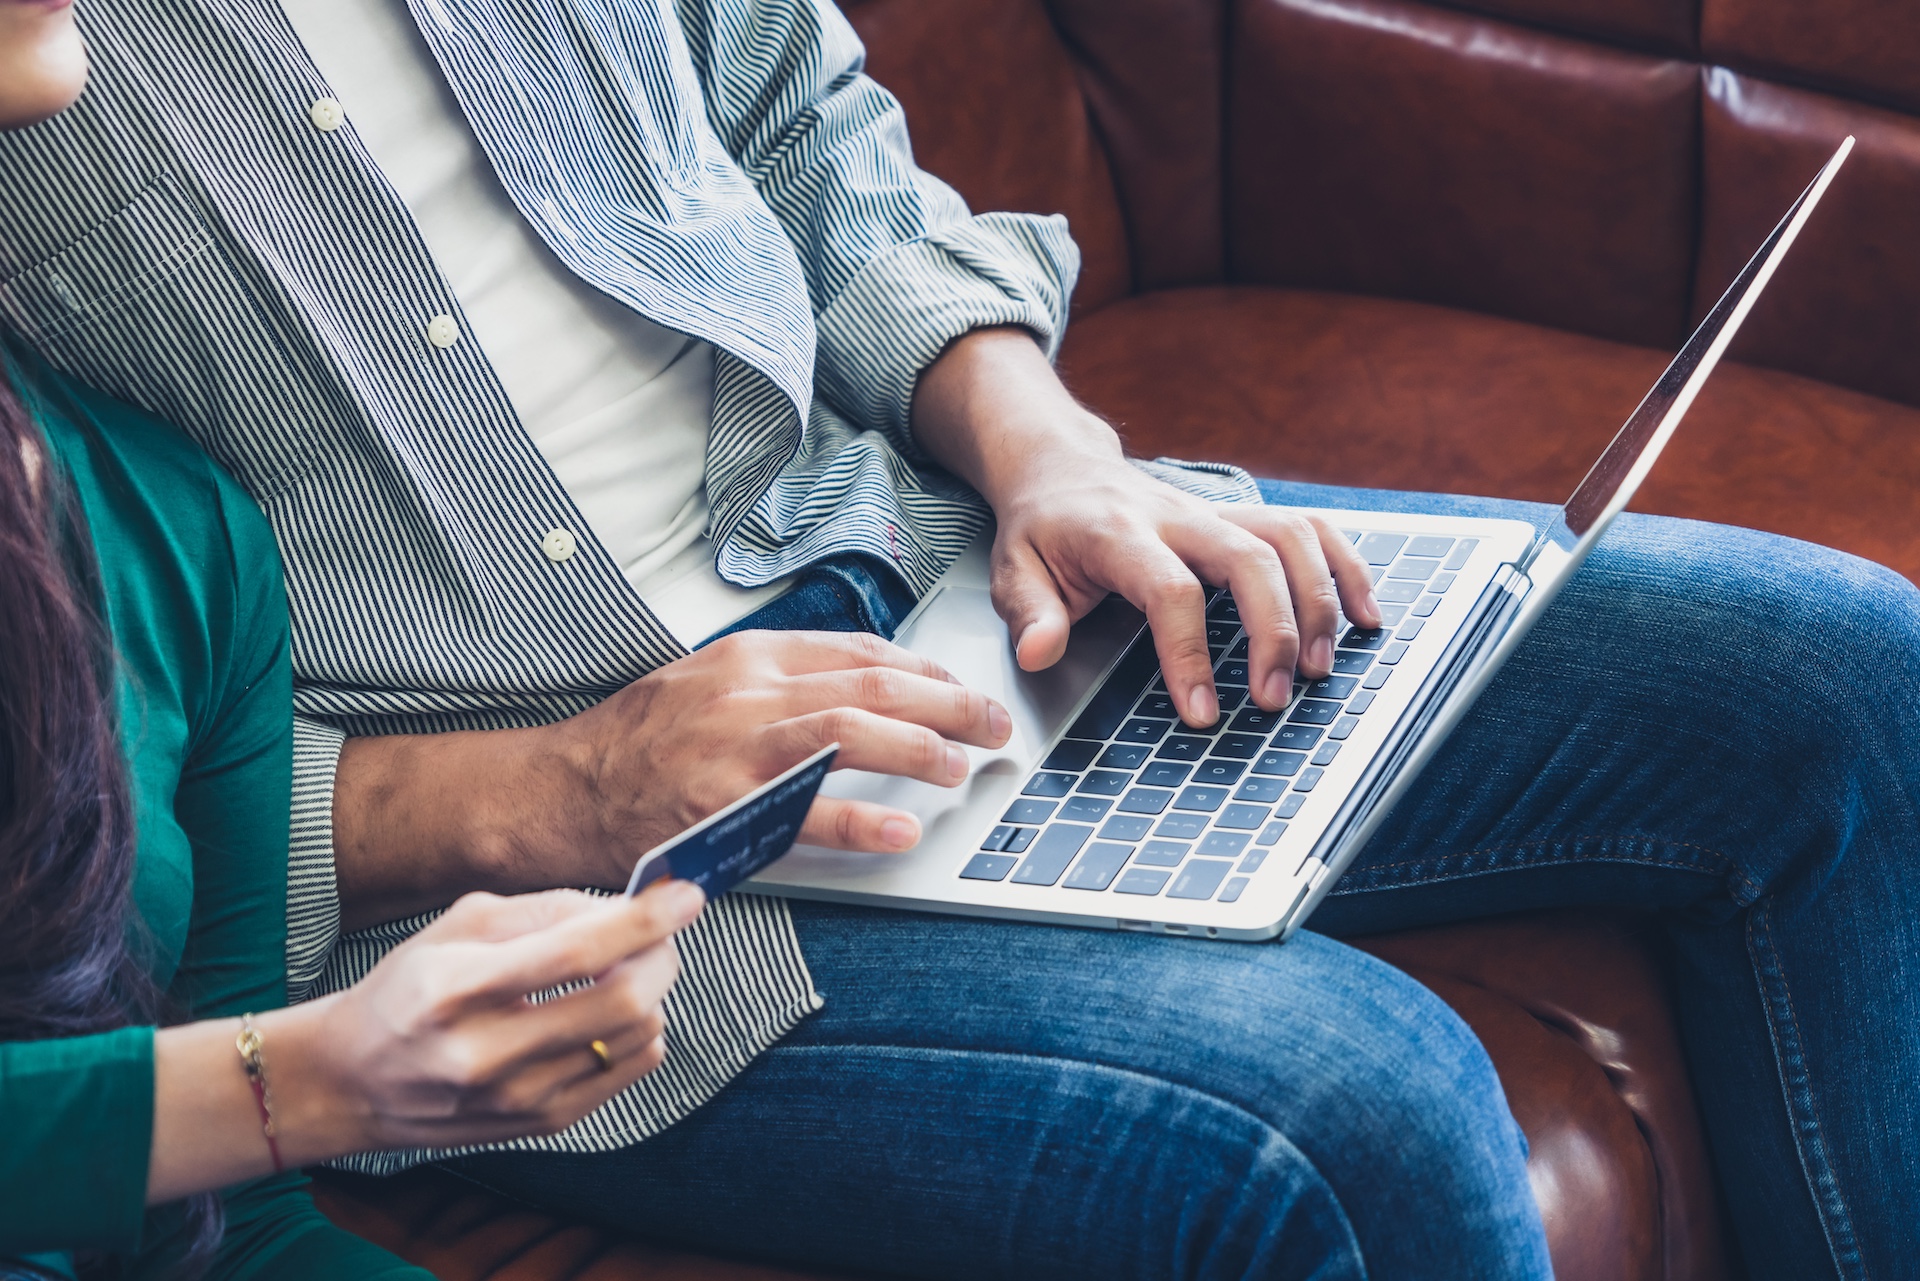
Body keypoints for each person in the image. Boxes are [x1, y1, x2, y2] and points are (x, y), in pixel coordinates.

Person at [2, 1, 1916, 1278]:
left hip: (941, 574)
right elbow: (116, 751)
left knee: (1837, 676)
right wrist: (566, 787)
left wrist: (1045, 448)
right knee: (1363, 1114)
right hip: (600, 886)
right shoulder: (37, 58)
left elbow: (796, 117)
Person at [0, 13, 703, 1277]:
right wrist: (296, 1085)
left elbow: (224, 1236)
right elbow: (250, 1107)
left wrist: (289, 1092)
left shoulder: (179, 532)